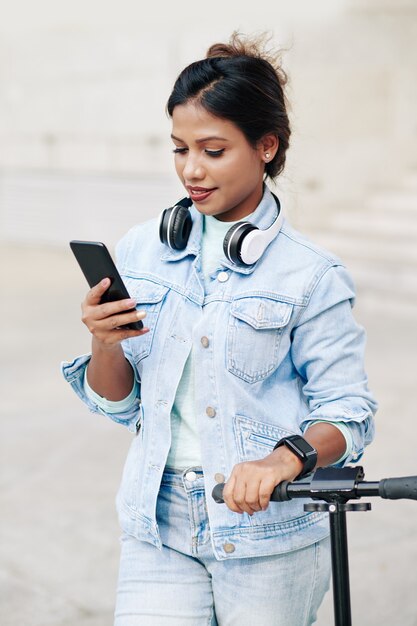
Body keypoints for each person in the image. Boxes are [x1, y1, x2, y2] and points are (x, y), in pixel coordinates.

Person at [62, 32, 377, 626]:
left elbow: (349, 412)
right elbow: (117, 402)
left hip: (270, 535)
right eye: (179, 149)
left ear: (265, 146)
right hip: (159, 525)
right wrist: (104, 342)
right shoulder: (141, 251)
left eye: (211, 150)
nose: (190, 170)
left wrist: (283, 461)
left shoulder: (311, 276)